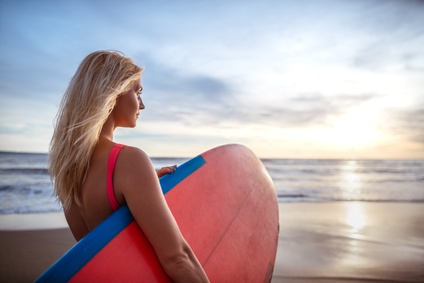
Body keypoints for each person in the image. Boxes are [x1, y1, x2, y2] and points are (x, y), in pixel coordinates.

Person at [49, 50, 209, 282]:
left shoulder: (68, 173)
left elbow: (104, 245)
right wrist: (137, 175)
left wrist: (144, 185)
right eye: (138, 92)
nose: (142, 105)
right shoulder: (129, 161)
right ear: (112, 93)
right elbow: (178, 258)